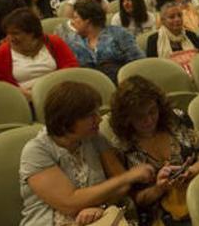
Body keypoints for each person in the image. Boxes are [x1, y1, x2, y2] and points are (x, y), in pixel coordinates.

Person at [19, 81, 154, 226]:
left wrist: (100, 207)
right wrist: (129, 176)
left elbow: (123, 187)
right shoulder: (37, 151)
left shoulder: (95, 138)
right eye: (91, 115)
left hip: (100, 220)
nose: (99, 119)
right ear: (66, 120)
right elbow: (69, 203)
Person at [108, 76, 199, 225]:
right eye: (140, 117)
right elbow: (133, 201)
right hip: (159, 215)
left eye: (152, 111)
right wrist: (159, 188)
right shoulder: (121, 146)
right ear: (126, 118)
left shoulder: (176, 118)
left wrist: (190, 171)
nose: (149, 120)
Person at [0, 8, 78, 98]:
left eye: (15, 33)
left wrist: (54, 88)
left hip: (57, 94)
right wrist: (22, 94)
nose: (10, 38)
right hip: (22, 99)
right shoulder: (2, 53)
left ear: (31, 33)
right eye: (8, 34)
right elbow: (0, 85)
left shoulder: (53, 42)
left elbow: (71, 67)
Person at [61, 0, 144, 81]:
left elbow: (137, 62)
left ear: (87, 21)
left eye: (75, 18)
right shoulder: (73, 42)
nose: (72, 22)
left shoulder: (119, 34)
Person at [144, 1, 199, 72]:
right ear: (163, 21)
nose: (177, 19)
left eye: (179, 15)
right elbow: (153, 68)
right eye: (172, 17)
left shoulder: (191, 35)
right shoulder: (153, 40)